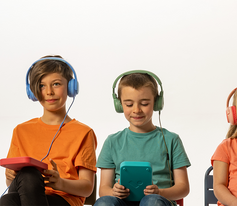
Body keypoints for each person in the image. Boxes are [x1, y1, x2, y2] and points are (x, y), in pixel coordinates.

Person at [0, 56, 97, 206]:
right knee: (25, 179)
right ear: (32, 91)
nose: (49, 92)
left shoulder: (83, 132)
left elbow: (87, 188)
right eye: (42, 86)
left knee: (9, 199)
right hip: (26, 194)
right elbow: (12, 182)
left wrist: (59, 183)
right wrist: (10, 176)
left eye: (56, 84)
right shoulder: (20, 130)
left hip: (62, 200)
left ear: (71, 87)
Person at [94, 70, 190, 206]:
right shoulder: (112, 142)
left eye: (144, 104)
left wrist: (160, 193)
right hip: (122, 202)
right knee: (104, 203)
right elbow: (104, 189)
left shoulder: (171, 140)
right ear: (119, 105)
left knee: (151, 202)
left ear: (156, 103)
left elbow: (183, 188)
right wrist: (113, 192)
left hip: (157, 201)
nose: (136, 110)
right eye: (129, 104)